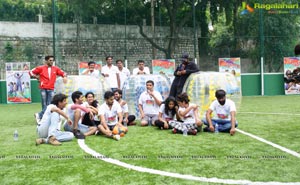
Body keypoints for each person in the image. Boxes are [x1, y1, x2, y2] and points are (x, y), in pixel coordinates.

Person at [29, 55, 67, 123]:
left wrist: (64, 76)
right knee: (44, 104)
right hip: (43, 88)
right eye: (50, 60)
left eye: (52, 60)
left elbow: (63, 73)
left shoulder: (55, 68)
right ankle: (43, 118)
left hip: (51, 88)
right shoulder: (40, 68)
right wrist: (35, 76)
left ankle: (39, 115)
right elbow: (31, 72)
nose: (52, 62)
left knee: (50, 104)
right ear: (46, 61)